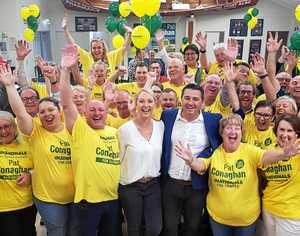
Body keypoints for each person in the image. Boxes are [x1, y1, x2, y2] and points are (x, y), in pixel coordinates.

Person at [175, 114, 300, 236]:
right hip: (219, 219)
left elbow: (265, 156)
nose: (233, 131)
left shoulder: (250, 150)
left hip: (246, 221)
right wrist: (191, 161)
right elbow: (201, 165)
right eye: (229, 128)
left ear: (242, 133)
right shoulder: (214, 152)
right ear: (222, 132)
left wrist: (284, 154)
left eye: (237, 128)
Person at [0, 64, 78, 236]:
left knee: (74, 232)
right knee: (57, 232)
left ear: (59, 111)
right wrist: (10, 86)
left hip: (77, 197)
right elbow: (20, 112)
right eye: (42, 112)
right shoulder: (36, 131)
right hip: (49, 199)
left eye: (51, 110)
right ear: (38, 116)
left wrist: (63, 73)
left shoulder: (72, 128)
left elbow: (66, 100)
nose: (47, 114)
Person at [60, 44, 121, 236]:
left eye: (100, 110)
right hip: (88, 202)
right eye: (92, 110)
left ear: (107, 113)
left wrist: (108, 101)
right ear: (84, 113)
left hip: (112, 200)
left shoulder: (114, 131)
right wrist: (65, 70)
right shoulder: (80, 130)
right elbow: (66, 103)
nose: (96, 113)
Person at [161, 83, 222, 236]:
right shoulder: (168, 116)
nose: (190, 102)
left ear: (202, 102)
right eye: (187, 98)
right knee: (169, 227)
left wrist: (201, 158)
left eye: (195, 99)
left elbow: (218, 147)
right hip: (171, 184)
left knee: (192, 227)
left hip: (196, 186)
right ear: (180, 99)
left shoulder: (213, 120)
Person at [118, 89, 164, 236]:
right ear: (135, 105)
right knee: (134, 228)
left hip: (153, 185)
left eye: (150, 101)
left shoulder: (161, 126)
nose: (146, 105)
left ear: (155, 104)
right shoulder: (124, 130)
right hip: (131, 186)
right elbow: (118, 159)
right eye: (141, 101)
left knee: (155, 228)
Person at [0, 111, 36, 236]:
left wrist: (31, 175)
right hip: (4, 207)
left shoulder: (28, 144)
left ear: (14, 126)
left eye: (7, 126)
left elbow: (42, 167)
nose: (3, 132)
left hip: (29, 203)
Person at [262, 114, 300, 236]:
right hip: (268, 207)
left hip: (291, 213)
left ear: (296, 134)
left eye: (290, 131)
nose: (284, 134)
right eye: (281, 129)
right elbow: (263, 160)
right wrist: (284, 153)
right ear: (276, 131)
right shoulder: (270, 149)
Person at [62, 16, 131, 81]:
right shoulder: (87, 57)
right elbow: (74, 45)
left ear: (103, 48)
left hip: (107, 91)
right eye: (94, 48)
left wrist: (129, 33)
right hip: (91, 90)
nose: (96, 50)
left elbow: (124, 47)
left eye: (99, 47)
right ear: (91, 49)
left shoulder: (110, 57)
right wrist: (65, 30)